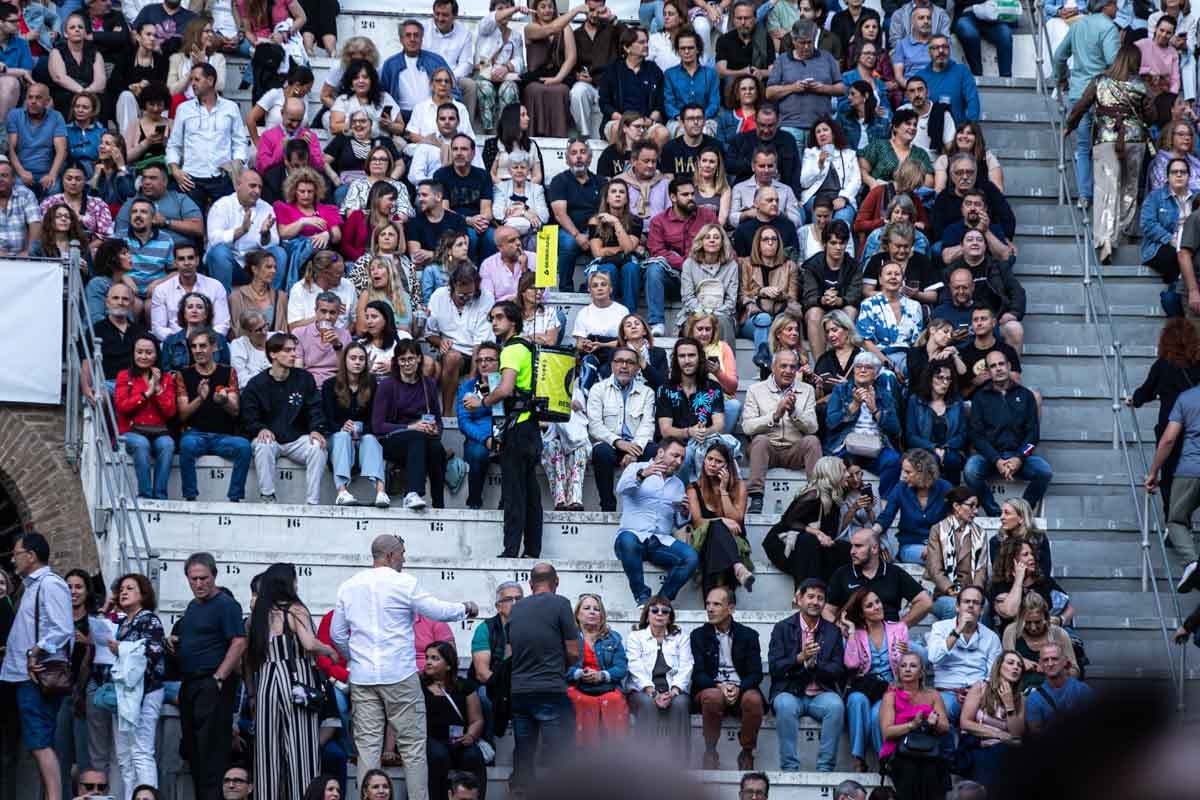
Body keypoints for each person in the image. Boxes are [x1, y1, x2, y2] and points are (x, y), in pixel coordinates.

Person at [329, 533, 478, 795]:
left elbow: (337, 634)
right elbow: (436, 610)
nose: (404, 559)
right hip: (400, 676)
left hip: (363, 678)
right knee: (413, 748)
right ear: (390, 555)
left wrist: (356, 658)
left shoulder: (348, 586)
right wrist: (465, 608)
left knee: (367, 748)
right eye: (402, 554)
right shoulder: (404, 583)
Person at [246, 563, 337, 800]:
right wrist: (329, 650)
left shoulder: (256, 616)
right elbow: (309, 644)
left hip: (266, 683)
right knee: (301, 752)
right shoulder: (295, 609)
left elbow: (247, 659)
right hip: (296, 681)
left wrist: (252, 693)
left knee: (267, 756)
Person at [461, 301, 542, 556]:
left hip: (517, 429)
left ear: (513, 321)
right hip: (530, 427)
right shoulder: (527, 347)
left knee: (513, 494)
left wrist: (482, 401)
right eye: (492, 318)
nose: (494, 323)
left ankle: (510, 551)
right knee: (531, 495)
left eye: (499, 318)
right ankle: (532, 550)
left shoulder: (511, 349)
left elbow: (506, 389)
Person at [1064, 43, 1154, 263]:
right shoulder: (1141, 86)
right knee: (1129, 188)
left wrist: (1070, 126)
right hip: (1134, 141)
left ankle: (1105, 239)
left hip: (1105, 140)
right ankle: (1122, 232)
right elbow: (1151, 116)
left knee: (1106, 188)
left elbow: (1081, 106)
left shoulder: (1100, 80)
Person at [1, 532, 72, 800]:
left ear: (31, 556)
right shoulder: (31, 587)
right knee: (36, 743)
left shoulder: (50, 584)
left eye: (16, 554)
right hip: (21, 676)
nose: (13, 559)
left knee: (40, 742)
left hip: (35, 676)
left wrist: (34, 652)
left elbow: (62, 628)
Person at [176, 552, 246, 800]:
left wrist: (218, 678)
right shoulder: (193, 606)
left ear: (214, 576)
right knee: (193, 752)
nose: (198, 584)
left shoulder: (226, 605)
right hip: (190, 685)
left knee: (211, 754)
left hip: (212, 685)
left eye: (203, 578)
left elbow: (239, 642)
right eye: (193, 579)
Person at [505, 562, 579, 794]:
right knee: (560, 753)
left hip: (520, 690)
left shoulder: (516, 609)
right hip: (550, 688)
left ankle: (520, 792)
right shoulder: (561, 603)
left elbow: (509, 652)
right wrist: (560, 667)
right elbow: (574, 652)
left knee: (523, 753)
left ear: (530, 584)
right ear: (556, 582)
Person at [241, 332, 328, 504]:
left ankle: (313, 502)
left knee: (318, 446)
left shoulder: (304, 378)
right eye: (287, 350)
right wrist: (260, 428)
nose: (294, 354)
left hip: (297, 439)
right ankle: (268, 496)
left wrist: (316, 429)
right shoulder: (256, 384)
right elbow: (248, 416)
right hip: (270, 439)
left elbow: (315, 407)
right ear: (273, 354)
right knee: (263, 444)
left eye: (294, 350)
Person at [768, 579, 845, 772]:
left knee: (836, 705)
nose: (815, 602)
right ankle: (790, 768)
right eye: (810, 596)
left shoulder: (833, 631)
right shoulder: (782, 628)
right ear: (799, 599)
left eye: (820, 598)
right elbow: (775, 667)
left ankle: (825, 769)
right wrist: (800, 658)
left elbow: (838, 670)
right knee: (784, 705)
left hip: (821, 693)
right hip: (790, 692)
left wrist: (815, 665)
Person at [964, 350, 1052, 516]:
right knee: (970, 471)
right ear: (988, 371)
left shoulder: (1026, 395)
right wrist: (996, 459)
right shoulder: (980, 398)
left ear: (1009, 366)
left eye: (1001, 364)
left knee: (1044, 471)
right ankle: (994, 512)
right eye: (993, 366)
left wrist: (1020, 457)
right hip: (990, 457)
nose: (998, 369)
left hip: (1019, 457)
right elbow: (976, 436)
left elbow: (1033, 436)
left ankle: (1021, 512)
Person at [612, 437, 699, 603]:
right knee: (627, 540)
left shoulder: (678, 484)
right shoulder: (636, 468)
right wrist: (642, 475)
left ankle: (661, 601)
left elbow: (679, 521)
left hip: (660, 541)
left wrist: (684, 512)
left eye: (682, 458)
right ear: (660, 452)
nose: (678, 462)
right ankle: (642, 597)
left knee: (691, 557)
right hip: (633, 537)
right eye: (675, 456)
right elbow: (621, 489)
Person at [688, 586, 765, 771]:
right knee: (713, 696)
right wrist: (719, 686)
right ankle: (710, 751)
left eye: (716, 604)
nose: (710, 609)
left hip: (741, 688)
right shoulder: (698, 635)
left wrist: (739, 688)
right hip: (711, 689)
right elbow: (698, 673)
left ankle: (747, 751)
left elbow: (756, 673)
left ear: (730, 608)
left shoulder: (749, 635)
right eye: (708, 604)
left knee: (754, 700)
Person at [1130, 319, 1200, 513]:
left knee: (1169, 478)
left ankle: (1175, 520)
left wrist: (1134, 399)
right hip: (1195, 428)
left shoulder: (1162, 366)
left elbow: (1145, 392)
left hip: (1170, 429)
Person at [174, 327, 251, 502]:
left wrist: (223, 401)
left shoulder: (228, 372)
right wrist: (200, 399)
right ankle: (190, 497)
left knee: (244, 446)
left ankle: (235, 498)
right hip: (195, 434)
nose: (197, 350)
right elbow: (182, 414)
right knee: (186, 445)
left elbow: (235, 410)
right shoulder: (183, 374)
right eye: (194, 346)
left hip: (223, 436)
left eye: (202, 346)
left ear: (214, 347)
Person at [742, 349, 822, 514]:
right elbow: (747, 427)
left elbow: (813, 427)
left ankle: (816, 496)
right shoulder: (755, 390)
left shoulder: (807, 390)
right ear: (773, 368)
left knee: (812, 441)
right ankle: (756, 497)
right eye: (783, 366)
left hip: (794, 450)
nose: (788, 371)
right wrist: (775, 416)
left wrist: (794, 413)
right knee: (760, 440)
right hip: (767, 450)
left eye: (793, 367)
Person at [372, 338, 446, 510]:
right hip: (392, 439)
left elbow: (438, 419)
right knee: (416, 437)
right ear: (397, 362)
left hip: (422, 438)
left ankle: (439, 504)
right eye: (403, 360)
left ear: (419, 358)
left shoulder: (428, 384)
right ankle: (412, 493)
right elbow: (377, 425)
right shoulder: (387, 385)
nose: (407, 364)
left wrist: (435, 429)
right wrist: (410, 427)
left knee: (437, 449)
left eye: (411, 358)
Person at [842, 587, 909, 772]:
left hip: (890, 689)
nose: (877, 607)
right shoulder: (856, 633)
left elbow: (904, 665)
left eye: (877, 602)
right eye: (869, 606)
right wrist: (852, 631)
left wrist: (905, 653)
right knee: (856, 700)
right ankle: (858, 759)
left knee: (876, 715)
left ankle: (884, 760)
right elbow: (851, 664)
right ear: (861, 613)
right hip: (864, 687)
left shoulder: (899, 629)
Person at [586, 345, 658, 511]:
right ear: (612, 365)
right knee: (601, 452)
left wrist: (634, 450)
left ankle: (642, 505)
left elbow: (647, 426)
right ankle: (608, 506)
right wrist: (619, 442)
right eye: (619, 361)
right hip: (610, 444)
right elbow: (595, 426)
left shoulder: (647, 392)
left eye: (630, 362)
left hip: (636, 445)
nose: (624, 366)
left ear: (637, 368)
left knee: (653, 450)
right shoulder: (598, 389)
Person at [166, 63, 247, 211]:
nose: (192, 84)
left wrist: (237, 165)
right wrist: (175, 170)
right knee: (193, 221)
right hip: (191, 179)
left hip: (223, 177)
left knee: (226, 219)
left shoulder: (231, 107)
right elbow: (174, 144)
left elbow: (240, 141)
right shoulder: (183, 109)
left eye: (196, 79)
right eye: (191, 80)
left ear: (210, 81)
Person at [927, 585, 1001, 739]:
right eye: (967, 601)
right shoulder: (940, 628)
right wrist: (957, 630)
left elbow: (993, 674)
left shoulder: (991, 637)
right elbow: (933, 657)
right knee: (944, 710)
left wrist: (975, 695)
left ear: (981, 610)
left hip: (979, 695)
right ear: (957, 606)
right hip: (947, 692)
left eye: (976, 602)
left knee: (993, 713)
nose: (971, 606)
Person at [623, 596, 693, 760]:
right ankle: (645, 761)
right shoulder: (635, 637)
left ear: (670, 617)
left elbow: (686, 666)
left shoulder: (681, 638)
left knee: (681, 703)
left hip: (673, 690)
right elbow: (635, 668)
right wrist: (653, 693)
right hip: (642, 691)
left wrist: (674, 692)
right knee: (648, 704)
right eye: (654, 610)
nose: (659, 614)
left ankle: (680, 762)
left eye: (665, 611)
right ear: (647, 615)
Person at [824, 351, 903, 496]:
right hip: (847, 447)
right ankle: (836, 503)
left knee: (893, 461)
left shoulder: (884, 394)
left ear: (876, 374)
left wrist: (875, 410)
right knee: (835, 464)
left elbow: (895, 429)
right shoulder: (841, 390)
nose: (862, 370)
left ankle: (886, 502)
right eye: (858, 366)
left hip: (876, 447)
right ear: (853, 370)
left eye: (868, 367)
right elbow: (830, 423)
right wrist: (852, 407)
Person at [322, 342, 388, 507]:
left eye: (361, 359)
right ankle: (342, 492)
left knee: (371, 439)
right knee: (343, 436)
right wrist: (342, 427)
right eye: (353, 358)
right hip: (337, 439)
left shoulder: (372, 385)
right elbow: (326, 419)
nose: (357, 362)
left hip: (363, 439)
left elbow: (376, 419)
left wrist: (362, 430)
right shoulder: (330, 385)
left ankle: (381, 492)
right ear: (344, 361)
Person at [825, 527, 934, 627]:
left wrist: (900, 628)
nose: (852, 551)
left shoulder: (894, 573)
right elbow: (827, 610)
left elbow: (925, 602)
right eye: (852, 546)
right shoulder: (842, 574)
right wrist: (840, 628)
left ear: (874, 548)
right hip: (855, 635)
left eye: (858, 546)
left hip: (889, 635)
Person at [878, 651, 951, 799]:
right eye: (903, 666)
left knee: (932, 769)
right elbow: (887, 732)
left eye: (913, 666)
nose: (907, 669)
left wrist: (934, 723)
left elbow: (945, 727)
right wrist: (912, 725)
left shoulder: (933, 695)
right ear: (898, 671)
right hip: (899, 751)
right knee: (910, 768)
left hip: (928, 749)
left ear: (921, 672)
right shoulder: (890, 696)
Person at [113, 334, 176, 499]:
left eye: (149, 352)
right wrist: (147, 393)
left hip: (158, 431)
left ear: (156, 355)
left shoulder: (166, 378)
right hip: (130, 431)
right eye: (139, 352)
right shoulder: (124, 376)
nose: (143, 356)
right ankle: (145, 496)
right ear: (133, 353)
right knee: (141, 444)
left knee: (168, 444)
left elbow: (170, 412)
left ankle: (160, 496)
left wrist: (158, 390)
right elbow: (122, 406)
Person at [422, 641, 487, 800]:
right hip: (430, 740)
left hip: (459, 740)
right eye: (427, 657)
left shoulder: (464, 687)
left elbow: (477, 719)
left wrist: (470, 736)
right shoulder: (418, 687)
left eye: (435, 658)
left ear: (449, 665)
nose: (428, 662)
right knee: (438, 756)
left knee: (473, 756)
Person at [764, 20, 843, 149]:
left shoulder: (827, 58)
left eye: (809, 42)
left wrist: (823, 88)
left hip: (821, 126)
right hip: (790, 125)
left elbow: (841, 88)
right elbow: (769, 93)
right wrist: (793, 87)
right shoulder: (782, 60)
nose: (806, 47)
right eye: (802, 43)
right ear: (793, 40)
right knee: (791, 162)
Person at [426, 263, 494, 412]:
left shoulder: (486, 297)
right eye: (461, 294)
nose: (465, 298)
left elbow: (480, 343)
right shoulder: (439, 295)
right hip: (451, 353)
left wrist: (472, 376)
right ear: (452, 286)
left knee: (488, 360)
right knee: (453, 357)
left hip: (478, 352)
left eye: (469, 294)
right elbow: (429, 333)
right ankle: (446, 413)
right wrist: (440, 342)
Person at [565, 593, 629, 745]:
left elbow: (621, 668)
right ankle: (582, 751)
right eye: (587, 608)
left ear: (602, 615)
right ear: (577, 614)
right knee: (580, 701)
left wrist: (602, 675)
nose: (592, 612)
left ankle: (614, 751)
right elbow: (560, 666)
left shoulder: (613, 638)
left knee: (614, 700)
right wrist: (578, 673)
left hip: (607, 687)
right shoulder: (569, 638)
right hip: (578, 686)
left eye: (596, 609)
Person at [872, 448, 953, 565]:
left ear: (922, 472)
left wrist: (936, 544)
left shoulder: (945, 488)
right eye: (903, 471)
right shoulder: (901, 488)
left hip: (940, 544)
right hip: (911, 546)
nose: (903, 476)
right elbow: (886, 517)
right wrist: (872, 533)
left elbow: (954, 520)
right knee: (938, 556)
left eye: (908, 472)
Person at [548, 138, 605, 292]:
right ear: (567, 159)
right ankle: (566, 288)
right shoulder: (559, 181)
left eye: (583, 152)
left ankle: (590, 287)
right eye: (573, 153)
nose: (578, 156)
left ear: (590, 158)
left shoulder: (601, 182)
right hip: (567, 230)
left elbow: (604, 211)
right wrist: (577, 235)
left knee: (604, 242)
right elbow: (560, 214)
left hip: (595, 229)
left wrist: (591, 234)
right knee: (569, 243)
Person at [598, 26, 667, 145]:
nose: (646, 45)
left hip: (646, 123)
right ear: (627, 47)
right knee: (616, 129)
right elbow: (604, 103)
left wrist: (650, 120)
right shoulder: (612, 70)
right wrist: (623, 120)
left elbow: (660, 104)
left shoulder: (654, 70)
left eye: (646, 42)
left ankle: (651, 158)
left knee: (662, 133)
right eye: (641, 42)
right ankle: (617, 158)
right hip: (620, 120)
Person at [989, 538, 1075, 634]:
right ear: (1012, 559)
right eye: (1026, 554)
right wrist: (1019, 579)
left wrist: (1061, 620)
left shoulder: (1043, 581)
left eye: (1032, 554)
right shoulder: (1000, 585)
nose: (1031, 557)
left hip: (1047, 636)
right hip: (1016, 638)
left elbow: (1069, 607)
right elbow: (1010, 611)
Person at [114, 162, 204, 249]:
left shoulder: (180, 199)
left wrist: (166, 222)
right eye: (144, 178)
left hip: (178, 254)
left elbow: (198, 228)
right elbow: (119, 235)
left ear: (165, 182)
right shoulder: (131, 204)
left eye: (152, 178)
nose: (147, 182)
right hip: (142, 253)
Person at [1003, 593, 1080, 691]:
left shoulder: (1059, 634)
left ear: (1046, 618)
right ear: (1021, 619)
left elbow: (1075, 672)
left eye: (1038, 622)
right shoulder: (1012, 632)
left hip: (1053, 691)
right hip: (1019, 692)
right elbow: (1003, 668)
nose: (1033, 628)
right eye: (1028, 622)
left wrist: (1056, 669)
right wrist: (1019, 662)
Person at [455, 342, 500, 510]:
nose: (483, 364)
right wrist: (485, 439)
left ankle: (506, 504)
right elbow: (464, 422)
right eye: (480, 360)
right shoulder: (467, 387)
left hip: (504, 435)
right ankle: (474, 502)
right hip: (478, 438)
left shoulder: (505, 386)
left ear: (499, 362)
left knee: (514, 453)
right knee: (478, 453)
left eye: (489, 360)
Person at [379, 19, 453, 117]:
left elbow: (454, 90)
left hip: (432, 114)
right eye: (408, 35)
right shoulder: (390, 65)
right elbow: (383, 96)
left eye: (416, 35)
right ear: (401, 39)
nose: (412, 39)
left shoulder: (436, 61)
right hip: (401, 117)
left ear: (422, 38)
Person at [6, 82, 67, 198]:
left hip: (46, 172)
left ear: (47, 101)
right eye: (30, 97)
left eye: (38, 97)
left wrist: (52, 174)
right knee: (19, 189)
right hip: (21, 171)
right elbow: (10, 149)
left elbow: (61, 150)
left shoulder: (56, 117)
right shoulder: (15, 115)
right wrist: (22, 172)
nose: (33, 101)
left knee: (54, 189)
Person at [799, 116, 861, 228]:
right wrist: (819, 164)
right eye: (818, 132)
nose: (822, 134)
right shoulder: (810, 153)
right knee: (820, 211)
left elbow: (856, 180)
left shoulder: (849, 154)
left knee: (843, 217)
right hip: (816, 198)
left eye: (825, 130)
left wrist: (843, 198)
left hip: (839, 198)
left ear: (833, 133)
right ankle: (818, 239)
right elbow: (804, 182)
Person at [1140, 157, 1194, 284]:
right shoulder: (1155, 197)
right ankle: (1176, 289)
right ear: (1168, 177)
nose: (1179, 175)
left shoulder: (1195, 198)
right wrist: (1171, 240)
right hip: (1161, 247)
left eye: (1183, 172)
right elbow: (1148, 224)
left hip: (1190, 245)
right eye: (1174, 172)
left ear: (1189, 176)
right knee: (1175, 255)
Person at [726, 104, 802, 190]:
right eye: (762, 125)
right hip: (747, 192)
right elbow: (729, 165)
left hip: (782, 192)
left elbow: (795, 172)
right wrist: (754, 165)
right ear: (755, 120)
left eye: (770, 125)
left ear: (778, 121)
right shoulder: (742, 140)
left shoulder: (788, 140)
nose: (766, 130)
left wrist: (795, 195)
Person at [1023, 643, 1093, 733]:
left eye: (1054, 659)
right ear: (1040, 664)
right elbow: (1036, 734)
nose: (1050, 664)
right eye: (1045, 660)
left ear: (1065, 661)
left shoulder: (1082, 691)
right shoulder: (1034, 699)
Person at [730, 146, 803, 230]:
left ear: (776, 167)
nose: (766, 170)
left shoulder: (786, 190)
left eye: (770, 166)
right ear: (753, 166)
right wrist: (748, 214)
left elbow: (797, 222)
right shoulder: (739, 188)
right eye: (761, 166)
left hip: (778, 233)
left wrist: (778, 213)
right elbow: (732, 220)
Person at [480, 225, 536, 303]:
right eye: (512, 241)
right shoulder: (487, 265)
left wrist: (525, 271)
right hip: (501, 308)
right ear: (500, 247)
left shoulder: (535, 259)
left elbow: (542, 295)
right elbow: (487, 300)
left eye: (519, 238)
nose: (518, 243)